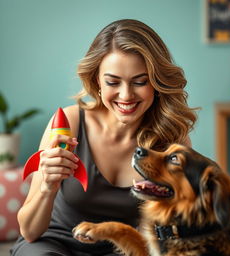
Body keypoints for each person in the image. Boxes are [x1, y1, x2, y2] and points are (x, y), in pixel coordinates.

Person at [11, 19, 197, 255]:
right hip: (53, 243)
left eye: (140, 82)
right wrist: (48, 186)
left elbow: (187, 224)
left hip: (124, 249)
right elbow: (29, 231)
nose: (126, 95)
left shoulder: (172, 140)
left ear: (157, 82)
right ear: (97, 80)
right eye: (113, 82)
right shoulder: (69, 123)